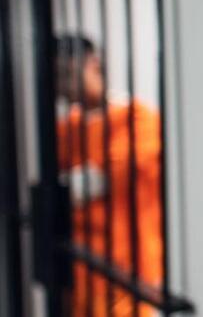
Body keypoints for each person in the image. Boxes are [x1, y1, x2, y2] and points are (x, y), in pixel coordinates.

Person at [54, 35, 163, 317]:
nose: (61, 87)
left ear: (93, 64)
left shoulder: (138, 118)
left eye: (66, 74)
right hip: (75, 266)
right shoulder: (66, 128)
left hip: (126, 270)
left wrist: (71, 186)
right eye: (56, 78)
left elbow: (111, 174)